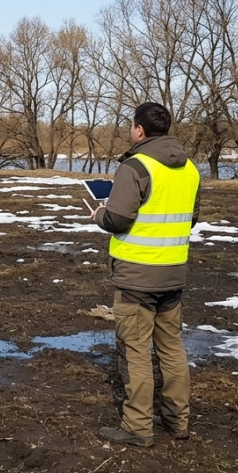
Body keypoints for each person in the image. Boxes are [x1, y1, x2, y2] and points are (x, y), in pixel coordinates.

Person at [90, 102, 200, 447]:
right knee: (171, 348)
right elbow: (191, 218)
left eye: (131, 125)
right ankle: (177, 420)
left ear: (139, 129)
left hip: (136, 275)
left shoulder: (135, 166)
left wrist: (99, 215)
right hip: (173, 273)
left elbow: (119, 218)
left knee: (135, 350)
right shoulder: (191, 170)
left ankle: (138, 426)